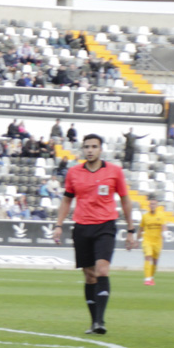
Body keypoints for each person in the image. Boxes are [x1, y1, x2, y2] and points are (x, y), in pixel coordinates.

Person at [52, 134, 136, 335]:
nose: (90, 150)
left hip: (105, 226)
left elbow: (125, 200)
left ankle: (100, 321)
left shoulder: (114, 172)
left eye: (94, 146)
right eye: (87, 147)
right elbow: (66, 200)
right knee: (89, 276)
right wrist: (58, 224)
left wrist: (131, 230)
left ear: (101, 149)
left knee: (102, 270)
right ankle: (93, 321)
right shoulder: (73, 172)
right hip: (82, 227)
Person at [140, 198, 168, 286]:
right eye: (151, 204)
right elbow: (141, 228)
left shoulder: (161, 215)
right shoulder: (145, 216)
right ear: (149, 206)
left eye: (154, 204)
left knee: (155, 261)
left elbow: (164, 226)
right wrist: (136, 239)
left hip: (157, 241)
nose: (152, 205)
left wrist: (165, 233)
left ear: (157, 206)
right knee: (148, 256)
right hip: (147, 240)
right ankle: (147, 279)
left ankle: (151, 277)